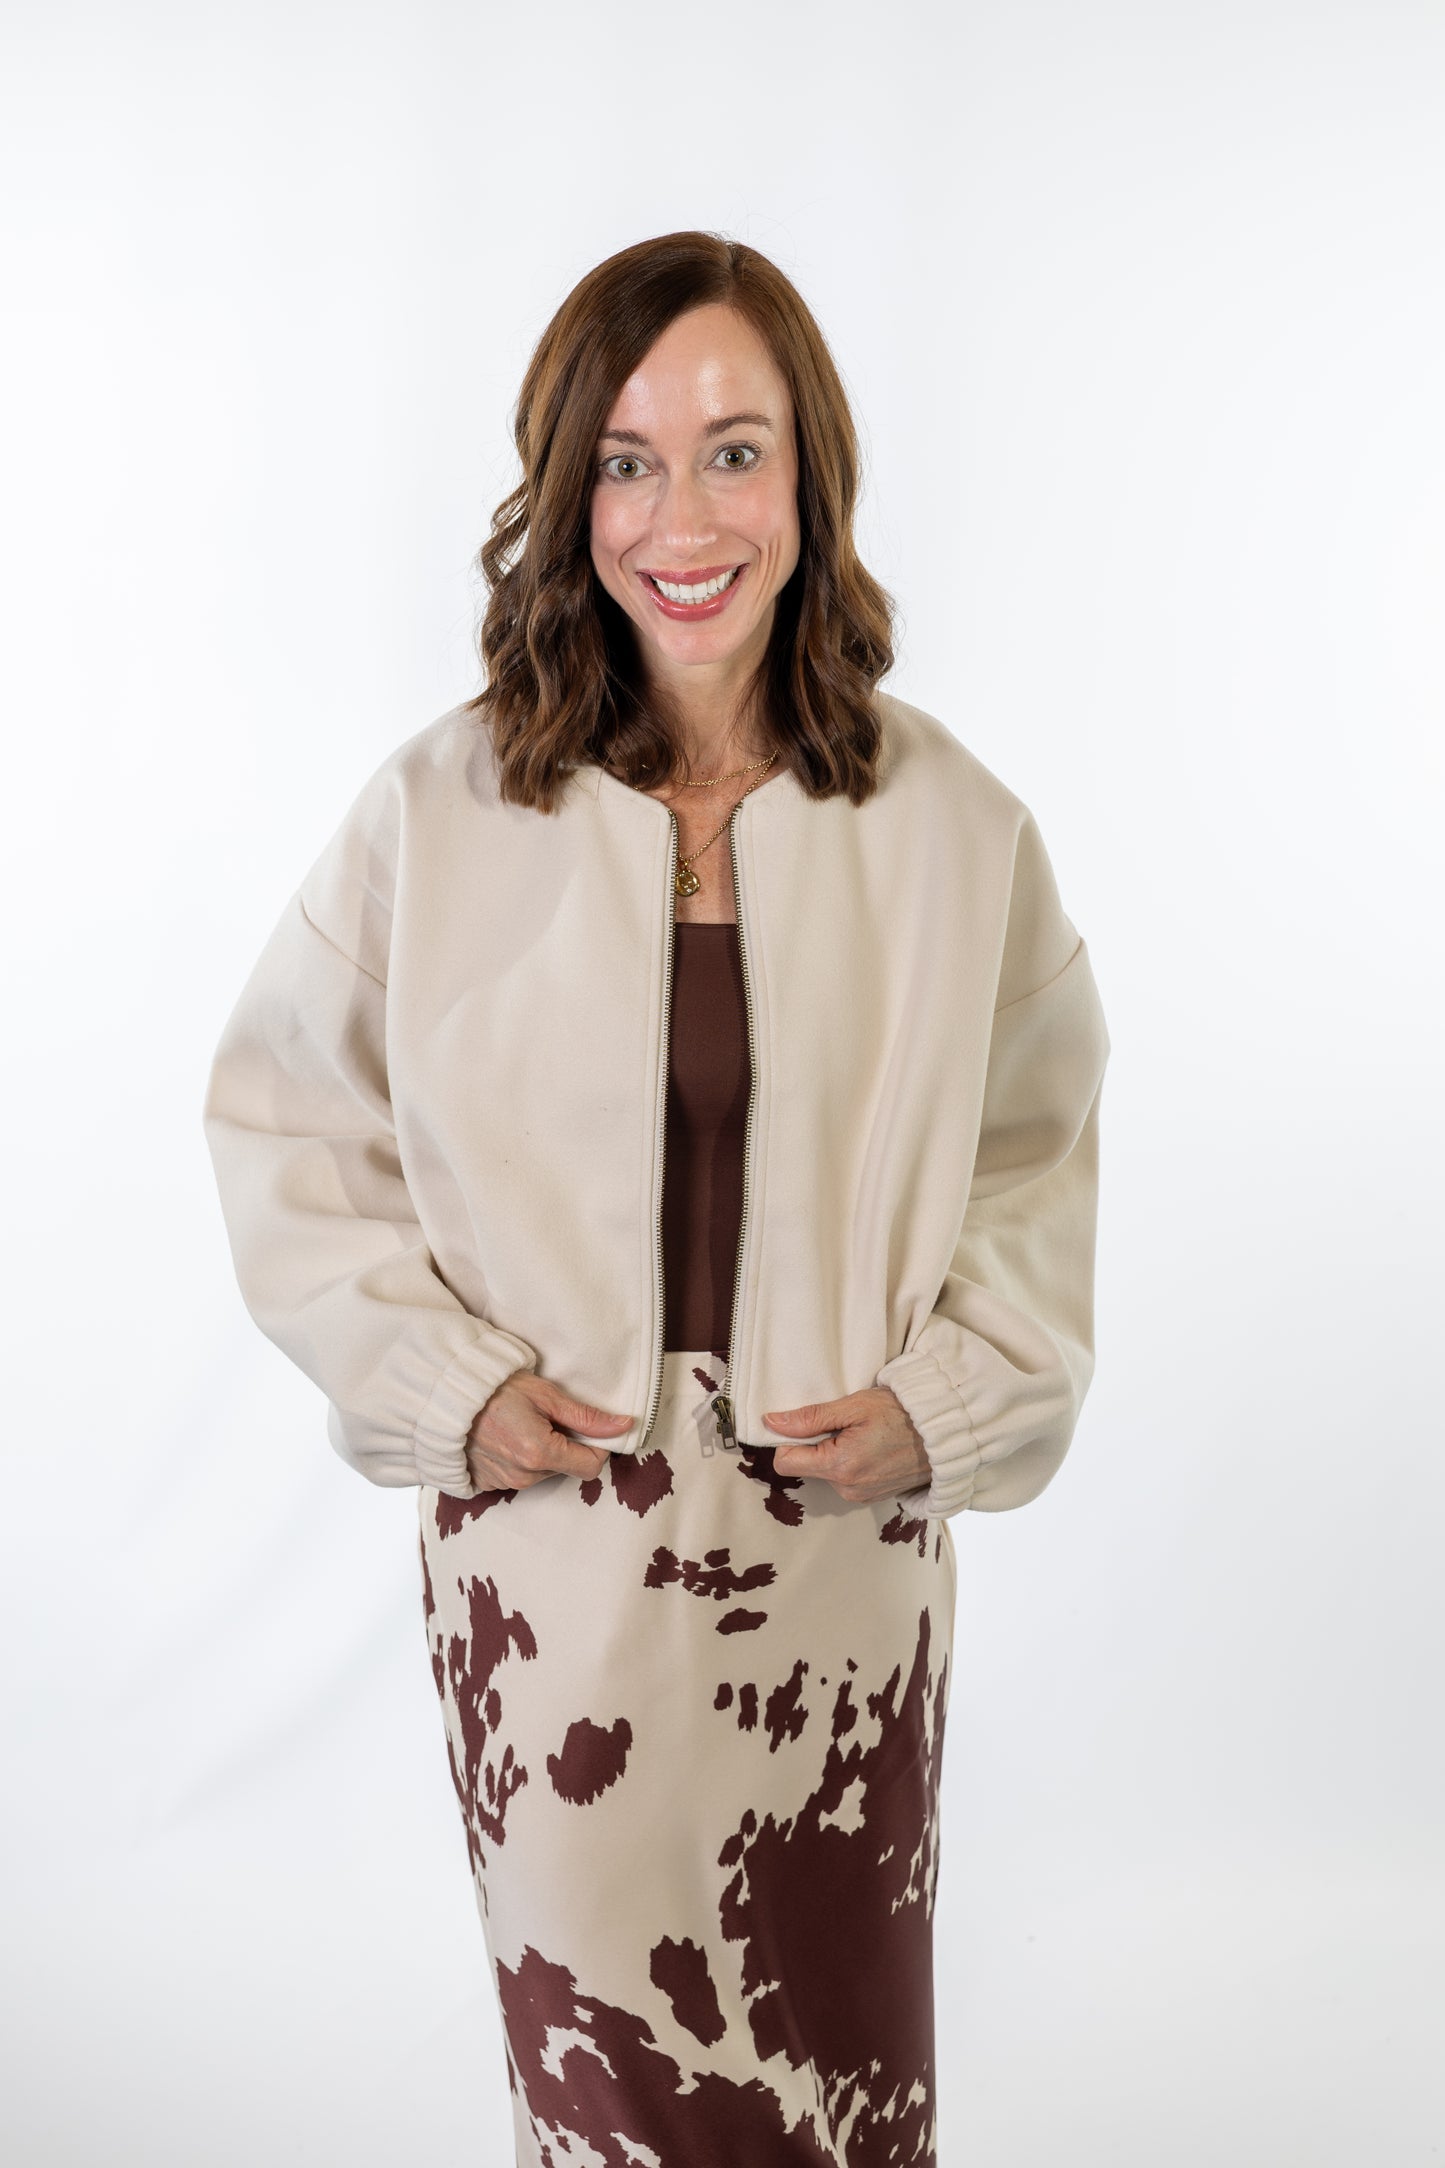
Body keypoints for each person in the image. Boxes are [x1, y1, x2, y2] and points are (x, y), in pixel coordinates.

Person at [202, 229, 1111, 2168]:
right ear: (562, 499)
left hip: (838, 1574)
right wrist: (439, 1378)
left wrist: (953, 1398)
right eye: (624, 459)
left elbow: (1038, 1150)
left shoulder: (951, 828)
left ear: (812, 479)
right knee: (609, 2083)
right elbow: (287, 1124)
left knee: (835, 2086)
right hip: (553, 1577)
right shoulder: (443, 816)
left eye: (732, 450)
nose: (679, 515)